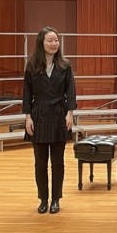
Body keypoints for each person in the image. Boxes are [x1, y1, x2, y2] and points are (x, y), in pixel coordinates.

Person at [22, 26, 76, 215]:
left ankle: (56, 199)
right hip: (39, 115)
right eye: (50, 40)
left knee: (58, 162)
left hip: (59, 114)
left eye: (56, 40)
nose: (54, 44)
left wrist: (70, 113)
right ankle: (43, 199)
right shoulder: (32, 66)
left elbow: (71, 91)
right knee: (40, 162)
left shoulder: (65, 65)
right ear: (41, 43)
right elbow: (27, 93)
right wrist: (28, 117)